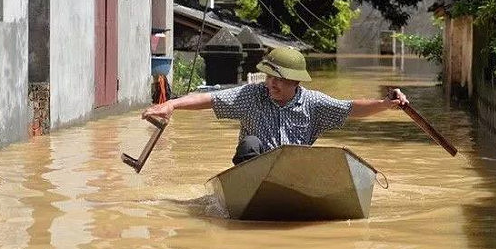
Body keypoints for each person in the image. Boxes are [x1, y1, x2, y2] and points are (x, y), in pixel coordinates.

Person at [142, 47, 408, 165]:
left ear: (296, 83)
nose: (272, 84)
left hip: (292, 171)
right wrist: (172, 105)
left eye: (279, 80)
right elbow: (210, 99)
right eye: (270, 77)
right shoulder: (252, 95)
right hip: (254, 172)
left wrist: (386, 104)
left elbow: (350, 108)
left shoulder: (313, 102)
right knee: (250, 144)